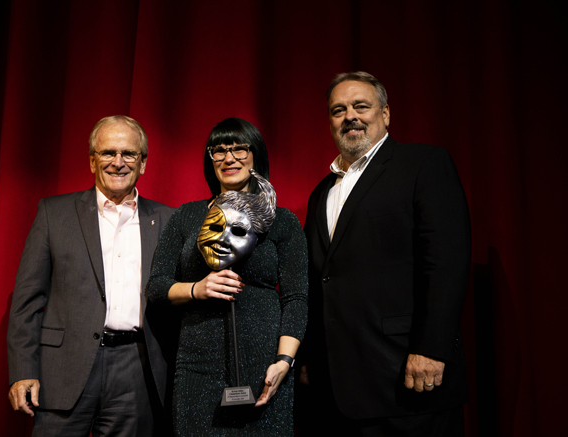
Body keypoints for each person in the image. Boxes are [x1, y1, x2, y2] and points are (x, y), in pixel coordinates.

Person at [301, 72, 471, 435]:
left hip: (408, 381)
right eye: (338, 110)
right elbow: (320, 282)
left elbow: (445, 264)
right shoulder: (321, 193)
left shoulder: (423, 164)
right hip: (337, 392)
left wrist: (432, 349)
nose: (350, 116)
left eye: (361, 106)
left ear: (386, 114)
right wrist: (310, 357)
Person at [7, 115, 174, 436]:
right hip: (63, 367)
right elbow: (27, 301)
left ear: (143, 164)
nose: (118, 162)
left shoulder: (168, 220)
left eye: (129, 154)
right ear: (92, 161)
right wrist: (23, 370)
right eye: (108, 153)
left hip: (136, 370)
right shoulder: (53, 214)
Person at [147, 117, 308, 435]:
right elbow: (157, 286)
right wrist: (197, 289)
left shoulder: (282, 222)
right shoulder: (187, 216)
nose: (228, 157)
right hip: (198, 366)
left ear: (256, 155)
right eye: (218, 150)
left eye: (239, 148)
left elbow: (296, 297)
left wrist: (283, 362)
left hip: (265, 368)